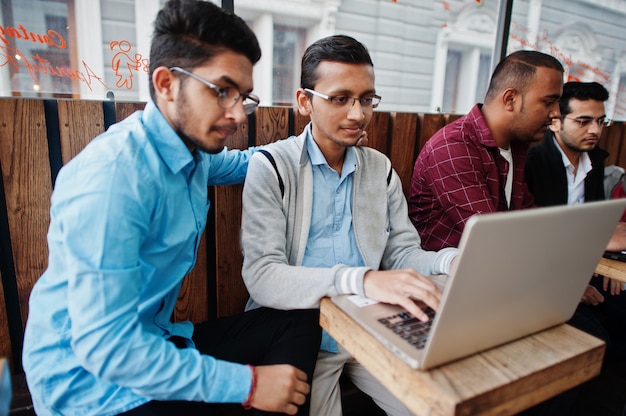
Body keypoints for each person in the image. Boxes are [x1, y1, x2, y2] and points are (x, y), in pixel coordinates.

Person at [21, 1, 321, 415]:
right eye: (221, 91)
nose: (236, 113)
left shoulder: (192, 153)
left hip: (159, 340)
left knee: (299, 320)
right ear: (165, 84)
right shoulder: (113, 180)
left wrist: (313, 146)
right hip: (92, 387)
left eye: (242, 96)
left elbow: (241, 162)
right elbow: (107, 348)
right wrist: (247, 384)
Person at [239, 34, 458, 416]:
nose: (358, 114)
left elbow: (402, 253)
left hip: (372, 324)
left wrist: (449, 262)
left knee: (436, 407)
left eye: (366, 99)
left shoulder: (379, 168)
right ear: (305, 101)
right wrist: (362, 279)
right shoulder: (272, 166)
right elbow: (262, 275)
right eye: (340, 99)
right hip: (300, 329)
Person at [408, 50, 563, 251]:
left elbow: (527, 215)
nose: (557, 113)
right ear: (510, 100)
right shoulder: (453, 146)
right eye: (548, 102)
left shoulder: (515, 145)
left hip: (493, 267)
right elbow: (492, 236)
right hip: (442, 276)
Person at [525, 81, 626, 362]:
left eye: (600, 121)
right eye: (583, 121)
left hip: (588, 267)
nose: (595, 130)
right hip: (544, 277)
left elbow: (593, 223)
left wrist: (608, 260)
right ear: (555, 122)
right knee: (595, 342)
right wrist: (571, 283)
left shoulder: (593, 160)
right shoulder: (534, 162)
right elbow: (531, 240)